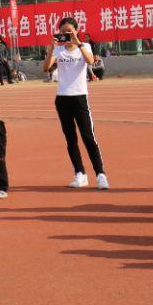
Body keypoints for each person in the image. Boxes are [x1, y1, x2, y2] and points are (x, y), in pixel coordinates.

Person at [44, 17, 109, 189]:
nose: (66, 34)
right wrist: (52, 48)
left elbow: (90, 61)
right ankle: (80, 174)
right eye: (63, 31)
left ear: (76, 30)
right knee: (70, 138)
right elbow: (46, 68)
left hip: (79, 97)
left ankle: (100, 174)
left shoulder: (84, 46)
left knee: (88, 137)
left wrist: (78, 41)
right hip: (62, 98)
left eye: (69, 31)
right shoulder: (58, 50)